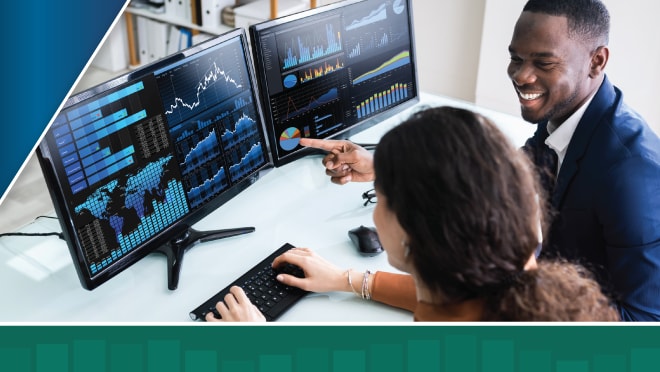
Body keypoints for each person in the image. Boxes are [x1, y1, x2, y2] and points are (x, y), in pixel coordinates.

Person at [295, 0, 660, 321]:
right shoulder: (565, 117)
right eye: (515, 58)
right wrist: (389, 168)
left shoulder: (632, 173)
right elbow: (488, 180)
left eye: (543, 63)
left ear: (597, 61)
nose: (521, 76)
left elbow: (642, 331)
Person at [206, 106, 619, 322]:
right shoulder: (519, 278)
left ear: (417, 230)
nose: (373, 215)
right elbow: (463, 298)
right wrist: (350, 280)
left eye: (381, 197)